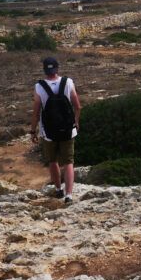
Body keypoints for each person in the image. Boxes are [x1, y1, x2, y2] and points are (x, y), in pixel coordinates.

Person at [31, 56, 81, 205]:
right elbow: (77, 106)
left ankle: (59, 189)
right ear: (57, 68)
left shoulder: (39, 87)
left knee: (53, 161)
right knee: (69, 162)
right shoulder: (68, 82)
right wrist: (76, 122)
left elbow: (36, 112)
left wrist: (33, 131)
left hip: (48, 131)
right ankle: (69, 195)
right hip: (67, 129)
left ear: (45, 70)